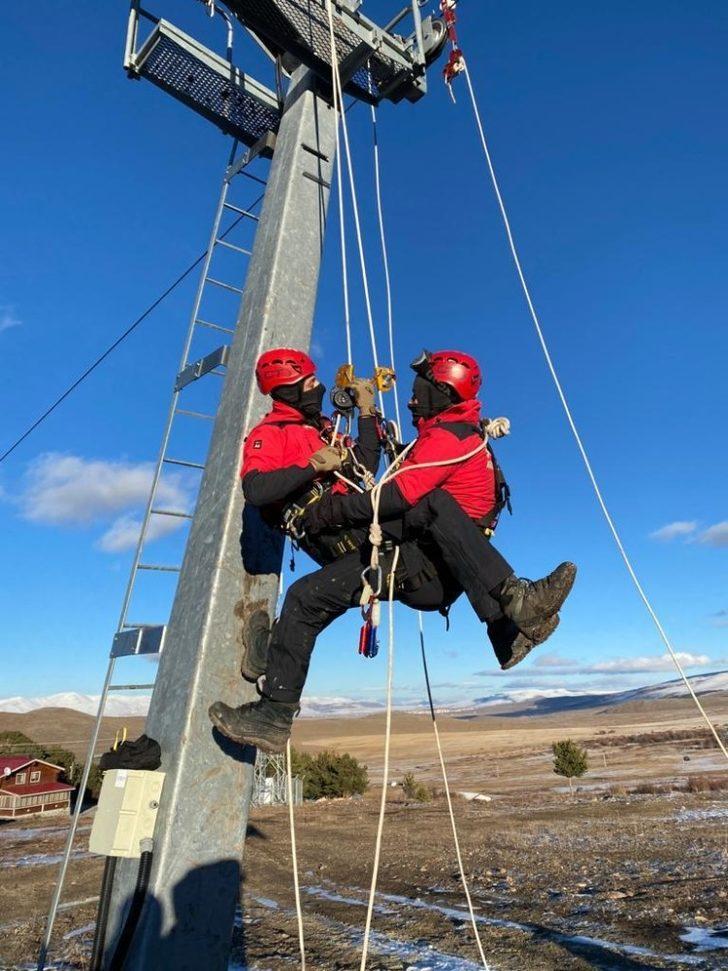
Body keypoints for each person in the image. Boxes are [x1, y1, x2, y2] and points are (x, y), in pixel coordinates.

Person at [208, 348, 576, 753]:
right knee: (307, 598)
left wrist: (366, 415)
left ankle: (510, 615)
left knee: (312, 594)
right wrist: (312, 466)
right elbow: (257, 490)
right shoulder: (270, 433)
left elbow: (363, 462)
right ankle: (509, 616)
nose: (320, 388)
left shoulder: (324, 428)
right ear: (287, 391)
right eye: (310, 383)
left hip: (369, 536)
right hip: (341, 532)